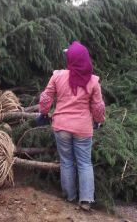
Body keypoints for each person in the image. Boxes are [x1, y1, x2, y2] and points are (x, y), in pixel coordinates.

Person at [38, 41, 105, 211]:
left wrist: (44, 113)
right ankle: (86, 200)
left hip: (61, 126)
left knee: (66, 161)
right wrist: (98, 121)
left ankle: (69, 196)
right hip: (83, 128)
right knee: (84, 163)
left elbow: (46, 98)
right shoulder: (93, 81)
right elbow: (98, 107)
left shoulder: (58, 76)